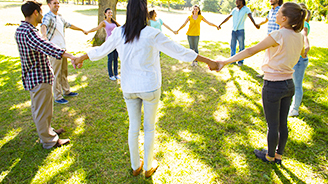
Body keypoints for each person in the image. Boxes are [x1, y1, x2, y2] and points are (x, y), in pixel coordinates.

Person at [73, 0, 218, 177]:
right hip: (149, 87)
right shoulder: (151, 33)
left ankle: (136, 166)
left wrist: (80, 57)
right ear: (144, 11)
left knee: (133, 127)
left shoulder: (119, 33)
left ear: (128, 12)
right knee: (149, 128)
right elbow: (179, 50)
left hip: (129, 88)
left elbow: (100, 50)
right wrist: (208, 61)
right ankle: (147, 167)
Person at [216, 2, 306, 164]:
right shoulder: (299, 36)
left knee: (272, 124)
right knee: (282, 123)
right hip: (288, 85)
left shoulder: (278, 35)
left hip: (273, 86)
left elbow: (251, 50)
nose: (275, 14)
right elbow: (303, 52)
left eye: (279, 13)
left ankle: (270, 156)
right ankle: (278, 155)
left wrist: (226, 61)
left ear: (284, 18)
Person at [15, 1, 76, 149]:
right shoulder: (28, 32)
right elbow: (46, 46)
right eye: (40, 12)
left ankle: (48, 131)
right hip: (38, 77)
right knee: (42, 110)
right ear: (35, 13)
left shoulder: (22, 29)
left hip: (33, 76)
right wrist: (70, 56)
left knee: (41, 108)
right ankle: (49, 140)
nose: (42, 15)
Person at [41, 0, 87, 104]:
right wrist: (43, 36)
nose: (57, 5)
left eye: (58, 3)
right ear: (49, 5)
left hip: (62, 50)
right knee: (56, 73)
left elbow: (69, 25)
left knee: (64, 72)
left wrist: (81, 29)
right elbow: (43, 25)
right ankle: (57, 96)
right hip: (54, 50)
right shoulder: (48, 16)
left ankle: (66, 91)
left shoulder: (60, 17)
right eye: (54, 3)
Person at [218, 0, 260, 66]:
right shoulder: (234, 10)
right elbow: (228, 17)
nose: (236, 2)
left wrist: (255, 25)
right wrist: (220, 24)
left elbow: (250, 16)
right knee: (232, 45)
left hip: (240, 30)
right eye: (236, 1)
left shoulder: (246, 9)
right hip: (234, 31)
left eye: (238, 1)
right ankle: (232, 60)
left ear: (242, 1)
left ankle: (240, 61)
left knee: (241, 46)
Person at [86, 8, 121, 81]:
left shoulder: (114, 22)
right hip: (109, 42)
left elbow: (121, 28)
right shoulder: (104, 22)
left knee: (115, 58)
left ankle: (116, 73)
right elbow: (96, 28)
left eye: (111, 13)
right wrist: (88, 31)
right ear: (105, 14)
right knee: (110, 58)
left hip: (116, 42)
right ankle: (111, 75)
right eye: (108, 13)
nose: (110, 14)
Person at [289, 3, 311, 116]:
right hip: (294, 57)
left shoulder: (304, 24)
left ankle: (295, 109)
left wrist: (306, 46)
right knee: (292, 83)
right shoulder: (294, 24)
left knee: (297, 85)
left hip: (300, 59)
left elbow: (305, 35)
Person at [256, 0, 283, 78]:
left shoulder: (281, 10)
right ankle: (266, 73)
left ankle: (275, 75)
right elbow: (266, 20)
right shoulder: (271, 10)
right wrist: (259, 24)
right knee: (268, 56)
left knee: (276, 58)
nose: (270, 0)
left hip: (277, 39)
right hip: (269, 37)